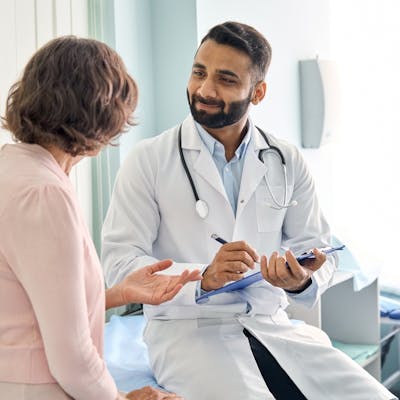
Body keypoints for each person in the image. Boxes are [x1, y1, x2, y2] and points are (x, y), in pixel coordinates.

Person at [101, 22, 396, 400]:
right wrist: (203, 277)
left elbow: (320, 250)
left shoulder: (286, 160)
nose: (205, 90)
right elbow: (120, 264)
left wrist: (300, 280)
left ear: (257, 92)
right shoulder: (149, 160)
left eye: (225, 79)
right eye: (198, 72)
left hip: (270, 323)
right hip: (187, 331)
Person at [0, 36, 202, 400]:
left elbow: (26, 305)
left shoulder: (12, 170)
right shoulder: (45, 195)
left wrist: (117, 294)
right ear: (100, 121)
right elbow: (72, 359)